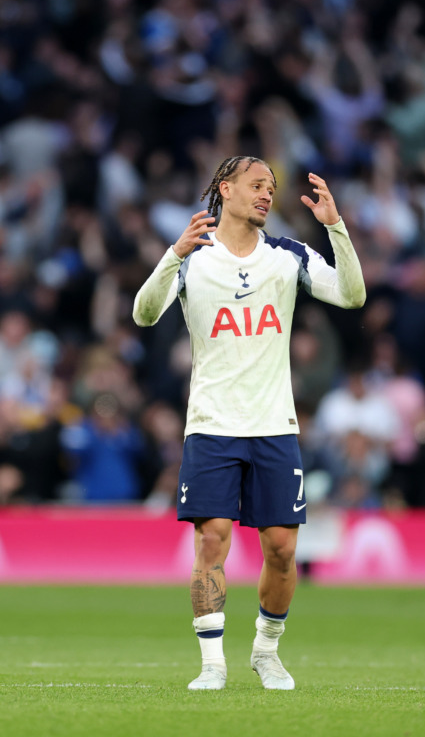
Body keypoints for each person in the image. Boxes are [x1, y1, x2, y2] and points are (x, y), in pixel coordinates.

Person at [133, 157, 366, 691]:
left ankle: (266, 650)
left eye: (272, 188)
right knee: (211, 541)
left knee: (282, 549)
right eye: (257, 185)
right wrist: (172, 256)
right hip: (212, 423)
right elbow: (144, 314)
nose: (267, 194)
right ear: (225, 189)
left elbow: (353, 296)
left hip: (273, 425)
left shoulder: (288, 255)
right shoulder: (194, 257)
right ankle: (212, 663)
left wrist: (336, 227)